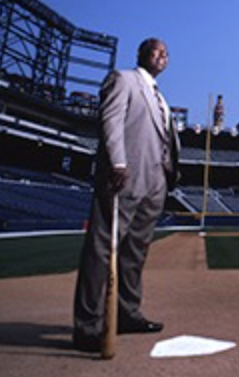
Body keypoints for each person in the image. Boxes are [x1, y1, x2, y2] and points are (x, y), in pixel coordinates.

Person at [73, 38, 180, 352]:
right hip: (125, 176)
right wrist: (117, 162)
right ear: (142, 54)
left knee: (135, 253)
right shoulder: (124, 79)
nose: (163, 56)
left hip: (156, 181)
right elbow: (111, 120)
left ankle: (126, 313)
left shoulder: (161, 98)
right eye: (157, 50)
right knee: (102, 250)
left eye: (166, 53)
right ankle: (87, 326)